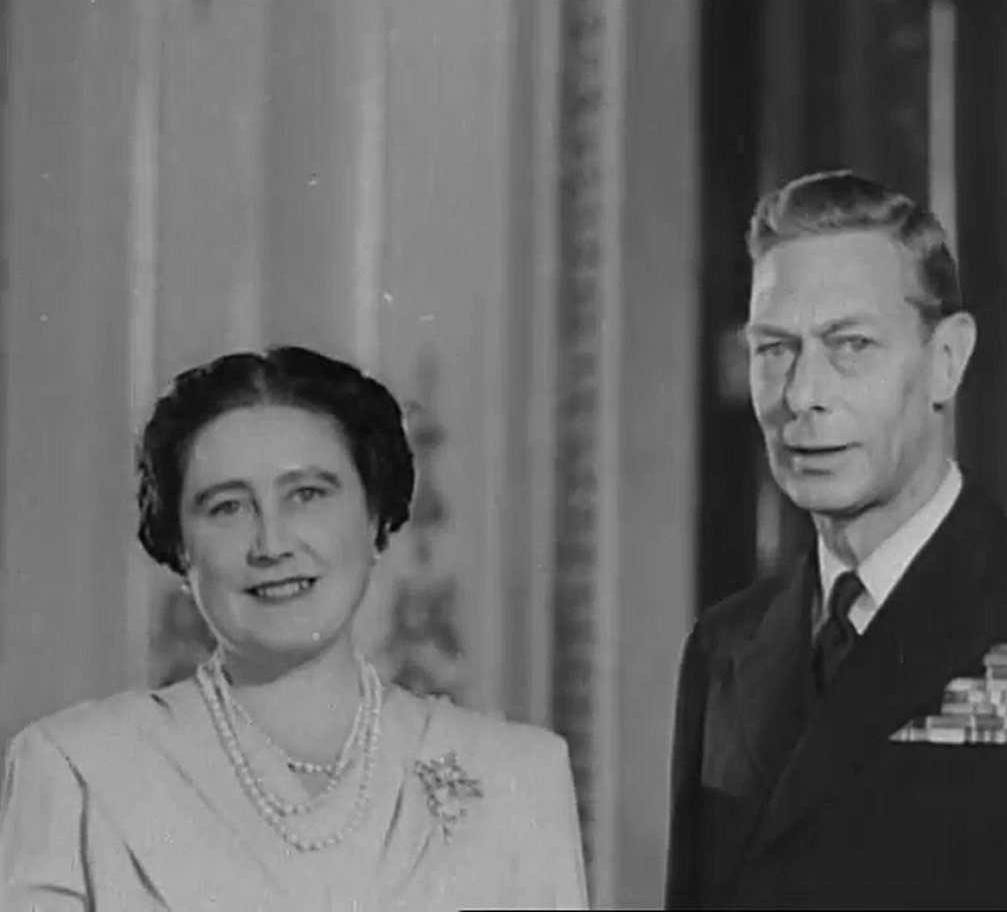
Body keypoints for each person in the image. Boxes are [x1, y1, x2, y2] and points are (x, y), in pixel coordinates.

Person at [665, 170, 1007, 908]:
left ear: (947, 359)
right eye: (774, 349)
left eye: (850, 344)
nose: (802, 394)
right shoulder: (725, 650)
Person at [0, 346, 588, 911]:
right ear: (180, 547)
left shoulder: (516, 775)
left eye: (307, 495)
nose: (272, 543)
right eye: (228, 507)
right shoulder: (79, 771)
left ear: (376, 518)